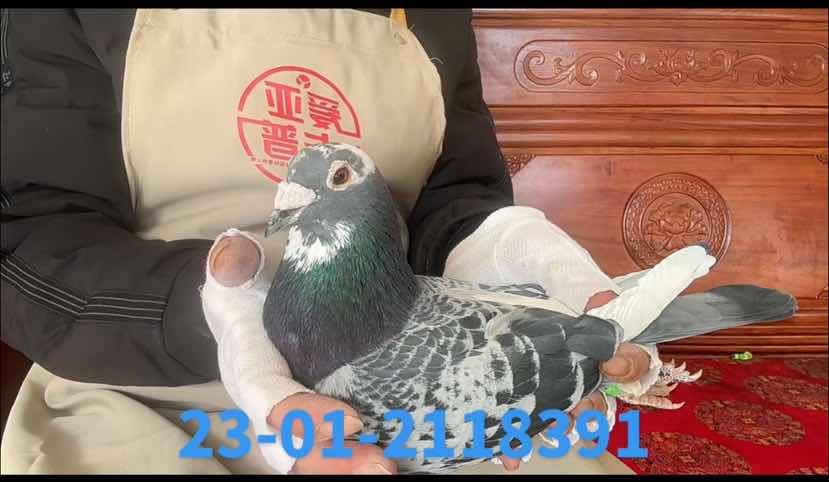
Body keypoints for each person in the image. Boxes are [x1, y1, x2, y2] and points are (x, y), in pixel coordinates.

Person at [0, 8, 654, 474]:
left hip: (409, 375)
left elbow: (452, 201)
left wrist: (507, 247)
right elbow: (31, 232)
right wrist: (231, 318)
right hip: (143, 382)